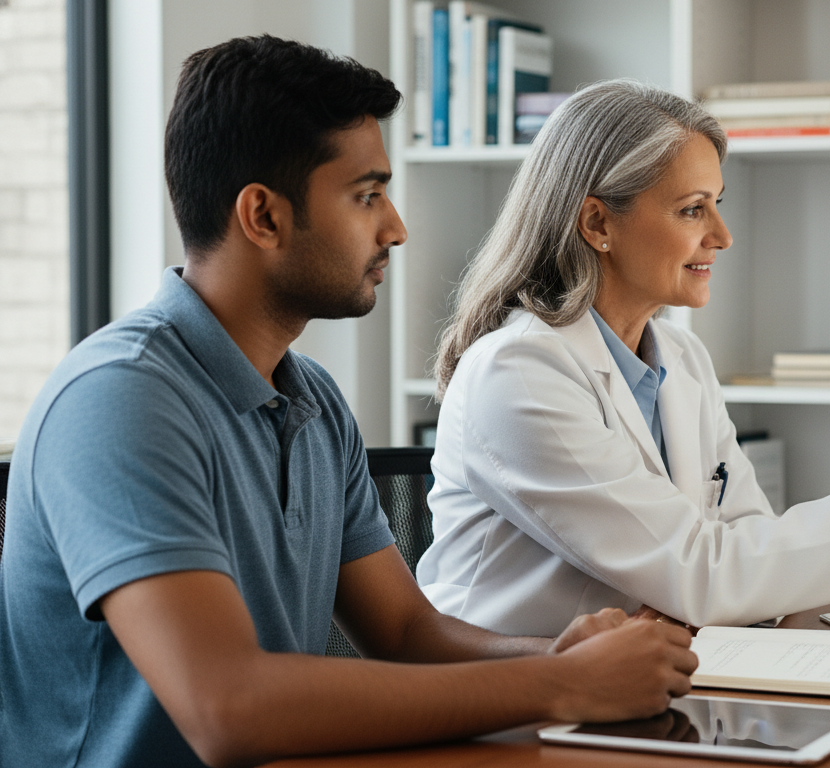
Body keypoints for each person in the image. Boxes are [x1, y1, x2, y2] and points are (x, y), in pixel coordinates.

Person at [0, 38, 696, 768]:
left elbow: (404, 635)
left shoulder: (313, 400)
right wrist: (558, 684)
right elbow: (226, 708)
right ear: (263, 217)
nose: (395, 227)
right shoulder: (120, 400)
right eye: (367, 195)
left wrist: (561, 654)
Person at [416, 79, 830, 638]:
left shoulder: (681, 359)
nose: (721, 235)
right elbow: (710, 575)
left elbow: (744, 556)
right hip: (511, 707)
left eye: (718, 203)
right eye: (692, 209)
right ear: (598, 223)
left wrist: (710, 589)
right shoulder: (521, 372)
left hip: (646, 683)